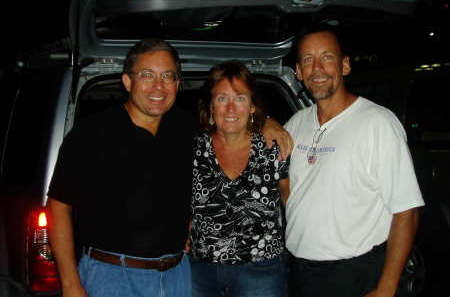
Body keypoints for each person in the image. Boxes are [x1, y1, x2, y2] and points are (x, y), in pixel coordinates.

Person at [47, 39, 292, 297]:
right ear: (128, 81)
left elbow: (232, 123)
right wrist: (70, 283)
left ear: (177, 84)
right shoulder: (91, 132)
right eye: (147, 75)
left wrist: (268, 123)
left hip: (178, 275)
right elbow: (58, 206)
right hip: (112, 277)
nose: (158, 86)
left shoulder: (188, 131)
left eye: (167, 76)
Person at [283, 26, 424, 297]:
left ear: (344, 65)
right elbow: (288, 187)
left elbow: (407, 212)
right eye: (307, 60)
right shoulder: (295, 123)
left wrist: (386, 287)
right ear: (298, 73)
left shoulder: (377, 123)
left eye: (327, 57)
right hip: (301, 272)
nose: (317, 68)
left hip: (356, 274)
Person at [189, 60, 290, 297]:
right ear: (211, 106)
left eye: (240, 98)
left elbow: (291, 200)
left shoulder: (272, 148)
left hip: (262, 272)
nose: (231, 108)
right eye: (222, 98)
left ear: (252, 106)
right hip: (201, 272)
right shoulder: (193, 149)